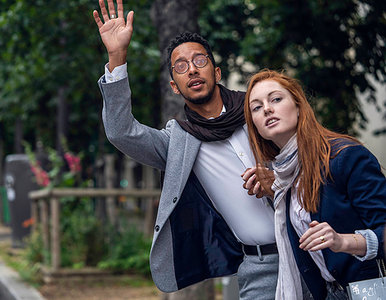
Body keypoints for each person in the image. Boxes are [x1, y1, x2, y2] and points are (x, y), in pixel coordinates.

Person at [93, 0, 279, 298]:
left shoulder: (259, 112)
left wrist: (277, 181)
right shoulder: (179, 141)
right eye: (181, 66)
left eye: (200, 61)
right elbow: (121, 132)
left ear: (216, 72)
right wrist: (117, 57)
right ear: (175, 86)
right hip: (261, 266)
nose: (191, 69)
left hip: (312, 244)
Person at [243, 69, 386, 299]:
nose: (267, 109)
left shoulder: (345, 157)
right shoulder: (284, 179)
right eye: (256, 108)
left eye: (276, 99)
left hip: (367, 291)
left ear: (299, 106)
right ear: (256, 126)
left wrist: (343, 241)